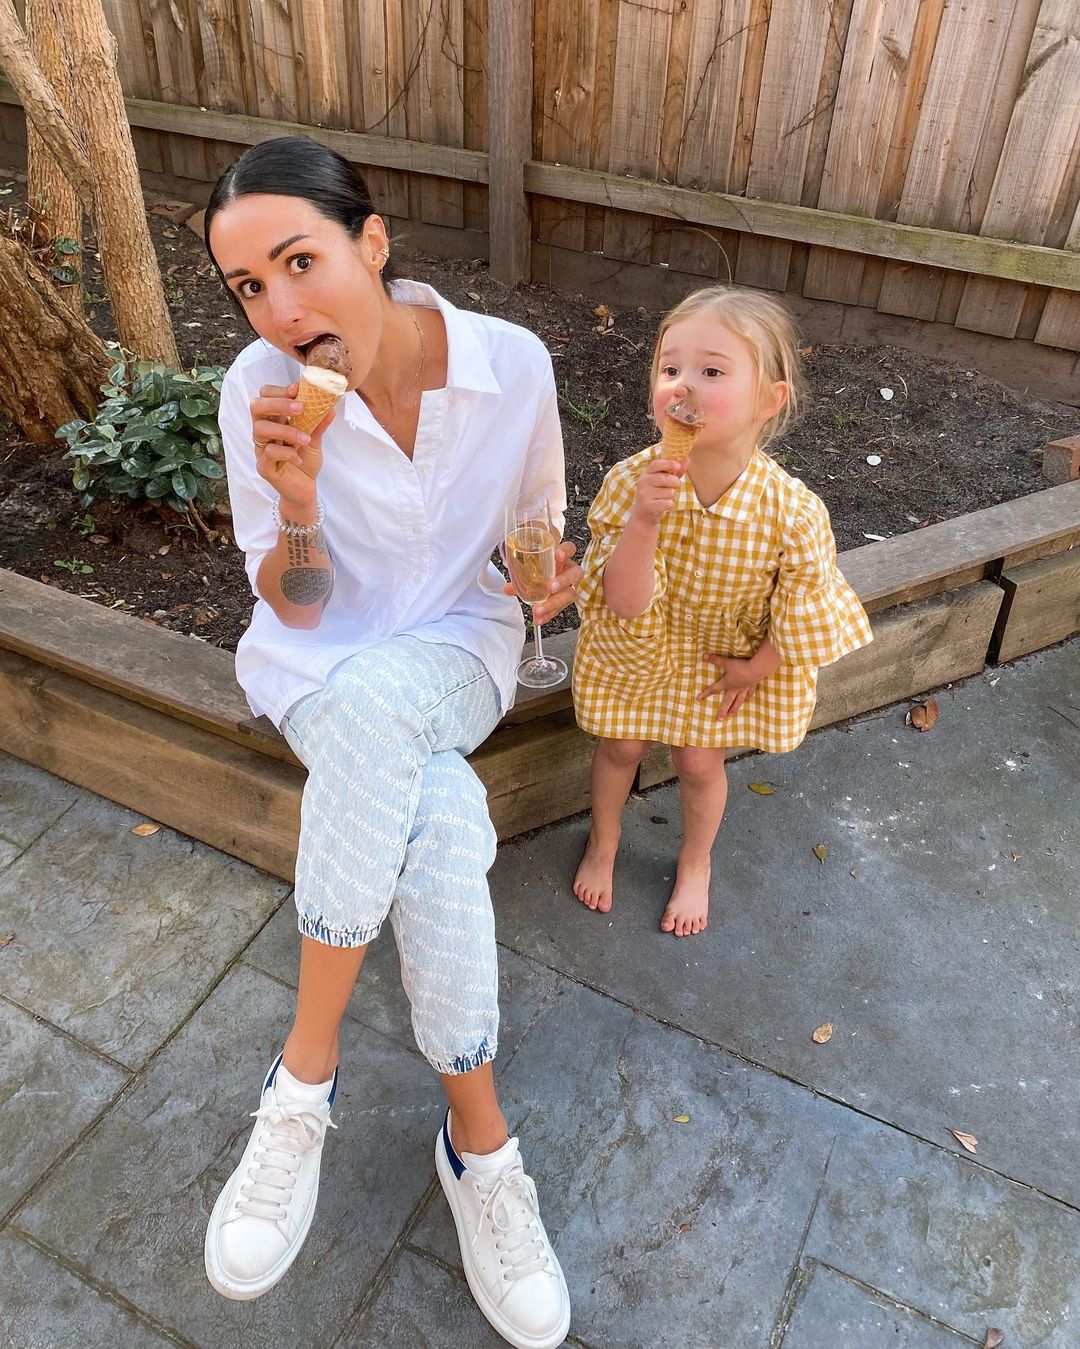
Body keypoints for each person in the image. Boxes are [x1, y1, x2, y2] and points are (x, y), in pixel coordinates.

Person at [200, 135, 579, 1349]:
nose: (280, 308)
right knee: (443, 819)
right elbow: (298, 603)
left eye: (299, 261)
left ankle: (301, 1078)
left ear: (373, 242)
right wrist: (298, 501)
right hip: (320, 663)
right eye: (249, 286)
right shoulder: (256, 391)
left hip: (461, 650)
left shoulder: (511, 365)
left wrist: (548, 578)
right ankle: (481, 1143)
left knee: (387, 717)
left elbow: (532, 540)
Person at [571, 285, 872, 937]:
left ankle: (695, 860)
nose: (683, 385)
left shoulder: (793, 512)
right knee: (620, 745)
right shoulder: (629, 483)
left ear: (768, 400)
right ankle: (603, 840)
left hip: (717, 661)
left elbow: (804, 611)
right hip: (638, 645)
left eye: (711, 371)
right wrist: (644, 520)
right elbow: (622, 602)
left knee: (699, 762)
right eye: (669, 368)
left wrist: (754, 668)